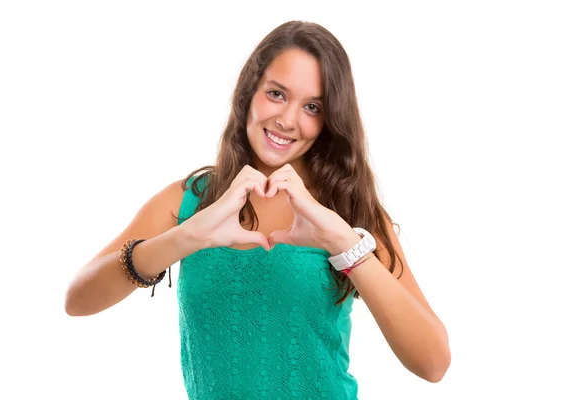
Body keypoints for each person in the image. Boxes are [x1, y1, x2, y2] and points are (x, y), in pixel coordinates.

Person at [65, 20, 451, 398]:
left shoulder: (345, 210)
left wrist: (342, 242)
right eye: (277, 94)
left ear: (329, 121)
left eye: (313, 106)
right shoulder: (188, 201)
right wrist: (188, 236)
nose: (287, 120)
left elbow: (433, 364)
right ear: (249, 92)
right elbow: (78, 300)